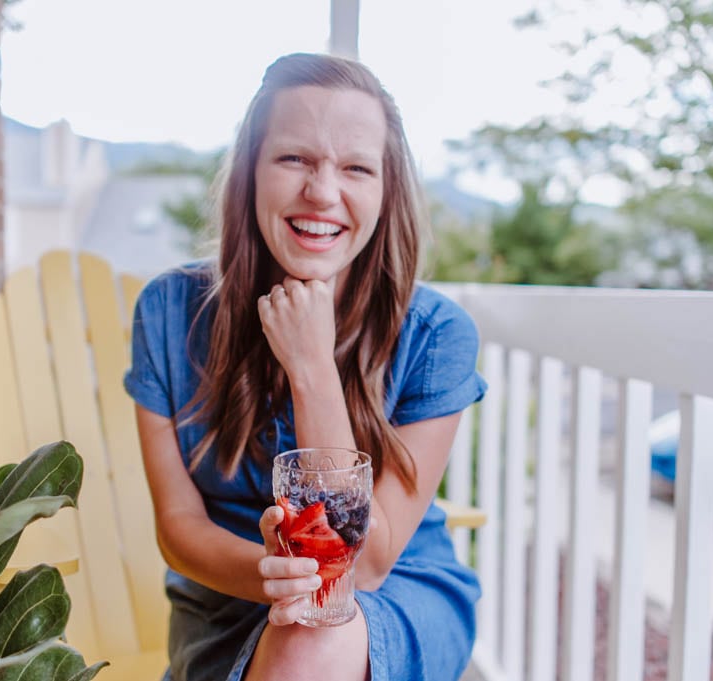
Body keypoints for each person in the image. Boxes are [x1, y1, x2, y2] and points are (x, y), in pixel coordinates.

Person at [124, 52, 487, 681]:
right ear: (251, 174)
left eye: (355, 167)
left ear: (385, 190)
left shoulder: (437, 336)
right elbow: (177, 526)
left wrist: (312, 366)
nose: (323, 192)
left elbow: (365, 564)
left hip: (397, 588)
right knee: (303, 625)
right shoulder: (169, 312)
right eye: (294, 158)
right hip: (229, 594)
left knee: (310, 635)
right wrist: (274, 576)